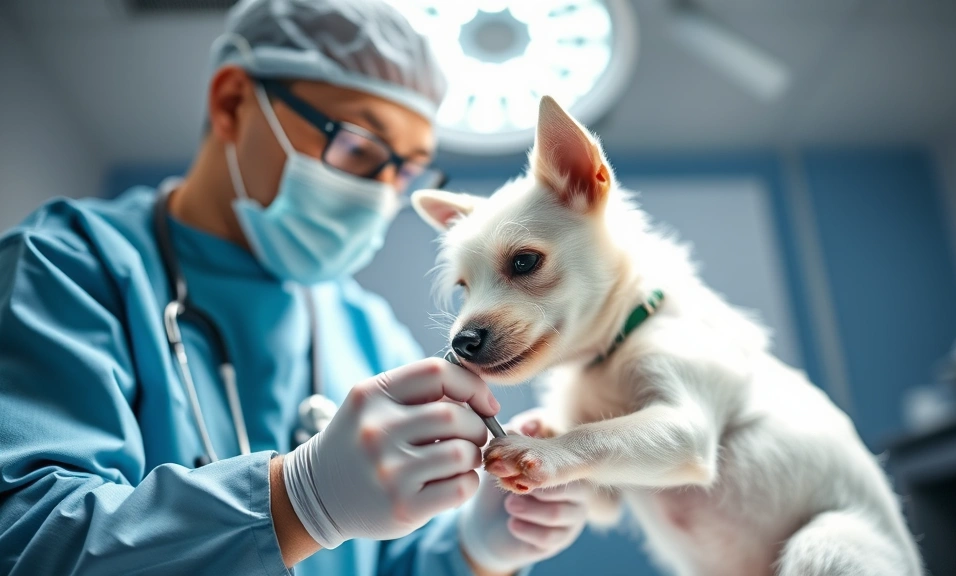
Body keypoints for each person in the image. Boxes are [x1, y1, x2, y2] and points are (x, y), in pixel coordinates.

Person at [0, 1, 591, 574]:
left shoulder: (366, 330)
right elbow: (26, 543)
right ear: (233, 102)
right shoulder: (67, 266)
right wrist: (296, 502)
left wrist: (475, 550)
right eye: (359, 148)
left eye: (405, 171)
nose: (382, 195)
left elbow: (387, 559)